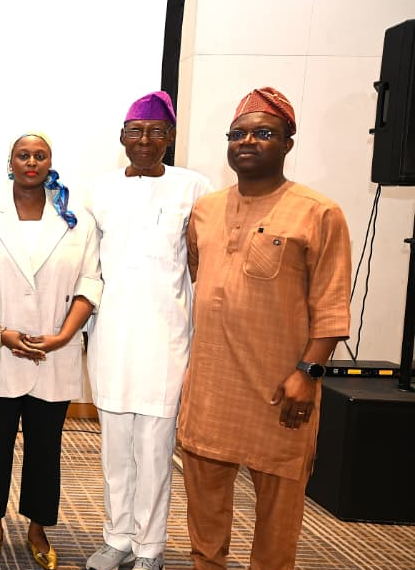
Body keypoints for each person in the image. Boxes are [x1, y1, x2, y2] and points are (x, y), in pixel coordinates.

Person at [178, 87, 351, 570]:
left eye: (264, 134)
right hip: (211, 387)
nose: (247, 142)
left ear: (288, 143)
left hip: (281, 387)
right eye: (238, 134)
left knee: (278, 513)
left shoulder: (319, 212)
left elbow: (331, 303)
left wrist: (308, 373)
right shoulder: (206, 210)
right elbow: (202, 278)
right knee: (204, 506)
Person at [83, 91, 212, 570]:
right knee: (115, 448)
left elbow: (200, 264)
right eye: (136, 131)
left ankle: (150, 547)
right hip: (111, 335)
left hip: (166, 339)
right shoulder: (99, 190)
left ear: (170, 138)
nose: (145, 140)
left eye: (156, 132)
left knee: (155, 449)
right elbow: (88, 266)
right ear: (122, 136)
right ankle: (117, 537)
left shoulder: (194, 188)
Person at [0, 133, 102, 570]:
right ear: (11, 163)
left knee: (46, 450)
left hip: (52, 352)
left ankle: (38, 528)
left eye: (40, 156)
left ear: (49, 163)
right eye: (23, 155)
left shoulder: (77, 219)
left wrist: (63, 336)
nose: (31, 162)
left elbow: (90, 281)